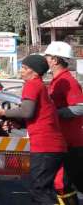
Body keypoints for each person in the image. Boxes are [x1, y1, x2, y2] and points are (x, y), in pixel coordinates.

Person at [0, 54, 67, 204]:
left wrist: (3, 112)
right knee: (43, 189)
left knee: (39, 190)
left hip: (45, 147)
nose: (21, 71)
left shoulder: (32, 85)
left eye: (25, 68)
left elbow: (26, 112)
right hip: (51, 147)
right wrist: (19, 123)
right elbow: (39, 117)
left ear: (35, 72)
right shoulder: (39, 86)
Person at [43, 41, 83, 204]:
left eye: (47, 57)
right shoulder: (57, 80)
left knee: (64, 183)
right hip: (63, 141)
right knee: (62, 183)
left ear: (55, 60)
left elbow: (80, 108)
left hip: (72, 142)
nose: (45, 60)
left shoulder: (67, 81)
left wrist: (52, 114)